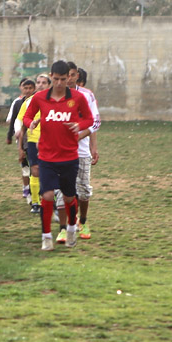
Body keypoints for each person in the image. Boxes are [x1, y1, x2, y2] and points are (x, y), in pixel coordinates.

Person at [22, 61, 93, 251]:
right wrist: (31, 123)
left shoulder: (77, 98)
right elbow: (27, 116)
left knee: (69, 197)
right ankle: (46, 236)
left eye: (63, 79)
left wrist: (79, 125)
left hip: (69, 156)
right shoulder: (40, 97)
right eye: (56, 79)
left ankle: (70, 228)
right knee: (46, 195)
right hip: (46, 156)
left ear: (69, 78)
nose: (60, 83)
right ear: (51, 76)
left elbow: (89, 119)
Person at [64, 65, 100, 243]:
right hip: (60, 151)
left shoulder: (87, 95)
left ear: (77, 76)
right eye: (65, 76)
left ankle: (83, 221)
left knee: (84, 190)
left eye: (72, 75)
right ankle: (65, 227)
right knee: (62, 190)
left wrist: (89, 143)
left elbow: (95, 122)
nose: (68, 79)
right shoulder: (54, 96)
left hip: (81, 150)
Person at [16, 74, 50, 214]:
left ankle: (49, 200)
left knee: (49, 172)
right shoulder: (29, 101)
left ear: (49, 85)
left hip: (51, 141)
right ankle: (35, 202)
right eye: (38, 82)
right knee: (35, 170)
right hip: (33, 141)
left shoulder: (55, 101)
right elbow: (22, 123)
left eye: (44, 82)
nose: (41, 84)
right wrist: (19, 147)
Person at [6, 78, 37, 206]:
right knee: (25, 165)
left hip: (36, 138)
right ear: (21, 88)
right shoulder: (18, 103)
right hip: (23, 139)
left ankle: (35, 192)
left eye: (31, 88)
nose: (28, 90)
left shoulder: (38, 101)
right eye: (26, 88)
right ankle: (27, 188)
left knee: (36, 167)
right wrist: (10, 135)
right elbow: (13, 120)